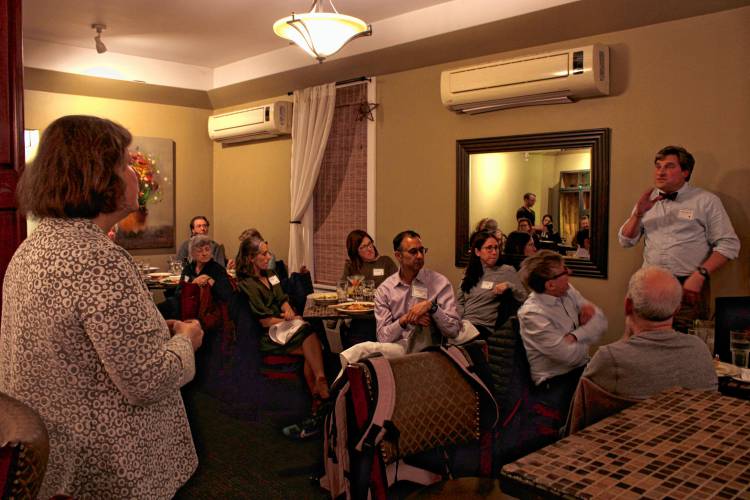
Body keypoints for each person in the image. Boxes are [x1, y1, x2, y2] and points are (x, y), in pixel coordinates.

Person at [0, 115, 203, 498]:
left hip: (56, 456)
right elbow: (147, 380)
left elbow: (77, 347)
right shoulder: (98, 258)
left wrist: (158, 331)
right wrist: (186, 340)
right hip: (108, 467)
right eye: (126, 163)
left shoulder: (32, 248)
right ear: (98, 176)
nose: (134, 174)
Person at [618, 145, 740, 332]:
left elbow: (729, 245)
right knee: (642, 341)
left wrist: (700, 275)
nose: (661, 172)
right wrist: (638, 215)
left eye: (669, 166)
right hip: (648, 285)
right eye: (658, 166)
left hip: (687, 286)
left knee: (685, 343)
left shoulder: (705, 201)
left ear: (685, 171)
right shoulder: (647, 200)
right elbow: (625, 241)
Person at [582, 266, 717, 400]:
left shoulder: (610, 359)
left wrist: (625, 337)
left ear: (628, 305)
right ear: (677, 309)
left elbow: (579, 413)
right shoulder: (700, 349)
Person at [235, 237, 329, 410]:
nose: (269, 257)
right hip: (269, 334)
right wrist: (292, 319)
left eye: (268, 252)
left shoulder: (271, 275)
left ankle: (317, 394)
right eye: (264, 254)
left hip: (285, 327)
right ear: (250, 258)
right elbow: (264, 321)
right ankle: (320, 388)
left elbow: (282, 298)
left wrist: (288, 309)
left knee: (310, 345)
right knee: (311, 338)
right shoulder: (247, 285)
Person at [518, 250, 607, 414]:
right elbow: (568, 357)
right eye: (564, 271)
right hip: (554, 383)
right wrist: (587, 332)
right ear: (550, 285)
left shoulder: (567, 291)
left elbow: (601, 321)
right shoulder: (532, 314)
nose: (570, 272)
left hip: (581, 370)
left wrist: (575, 336)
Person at [374, 230, 460, 352]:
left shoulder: (440, 283)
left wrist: (432, 307)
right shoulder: (385, 290)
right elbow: (383, 337)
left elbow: (453, 331)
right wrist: (405, 320)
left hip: (430, 353)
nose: (420, 256)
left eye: (422, 250)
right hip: (396, 354)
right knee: (363, 352)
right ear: (398, 256)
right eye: (413, 252)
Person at [457, 231, 527, 338]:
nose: (494, 252)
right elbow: (459, 302)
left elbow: (524, 298)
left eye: (496, 248)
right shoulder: (469, 272)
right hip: (465, 325)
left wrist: (509, 285)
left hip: (483, 328)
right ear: (477, 252)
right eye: (489, 248)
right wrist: (459, 323)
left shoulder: (506, 270)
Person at [178, 234, 234, 319]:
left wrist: (211, 282)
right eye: (200, 251)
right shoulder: (188, 268)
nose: (204, 253)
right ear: (192, 253)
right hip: (188, 308)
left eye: (207, 249)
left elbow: (227, 294)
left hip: (210, 312)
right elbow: (178, 292)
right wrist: (193, 283)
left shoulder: (217, 269)